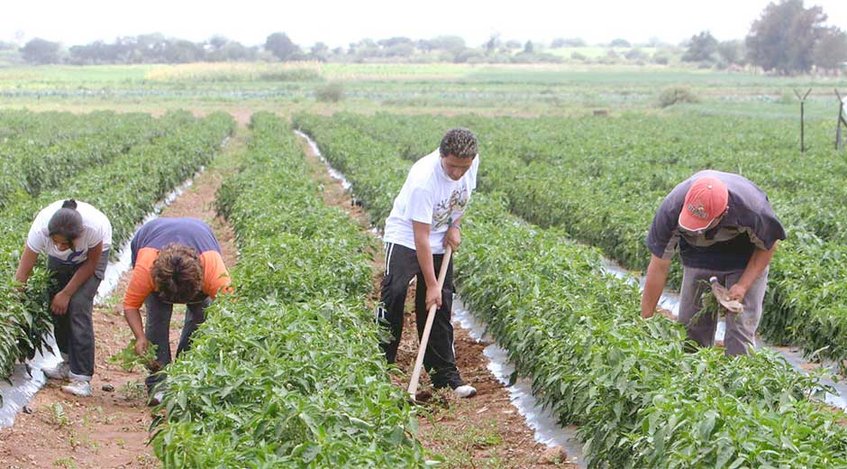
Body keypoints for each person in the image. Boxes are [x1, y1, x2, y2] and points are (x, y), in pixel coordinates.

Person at [377, 128, 480, 398]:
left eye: (463, 167)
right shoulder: (424, 179)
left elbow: (459, 202)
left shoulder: (471, 163)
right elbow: (420, 238)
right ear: (441, 155)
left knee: (439, 304)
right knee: (395, 294)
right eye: (452, 167)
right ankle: (378, 370)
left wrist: (454, 226)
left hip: (439, 237)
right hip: (407, 237)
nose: (458, 173)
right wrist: (431, 284)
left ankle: (445, 377)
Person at [641, 170, 786, 356]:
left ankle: (740, 378)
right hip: (697, 254)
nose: (698, 229)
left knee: (740, 330)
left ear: (724, 213)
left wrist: (742, 285)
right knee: (691, 328)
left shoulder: (752, 209)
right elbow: (659, 266)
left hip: (744, 256)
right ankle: (693, 378)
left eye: (702, 224)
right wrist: (646, 321)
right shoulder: (671, 208)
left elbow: (768, 246)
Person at [122, 217, 231, 405]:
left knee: (201, 317)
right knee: (157, 318)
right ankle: (159, 384)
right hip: (149, 236)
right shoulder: (146, 267)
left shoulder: (212, 269)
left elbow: (232, 308)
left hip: (200, 235)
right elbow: (131, 306)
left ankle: (187, 375)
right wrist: (140, 337)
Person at [15, 199, 112, 397]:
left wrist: (67, 293)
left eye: (64, 243)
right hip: (62, 262)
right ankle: (67, 363)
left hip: (93, 257)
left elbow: (91, 263)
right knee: (56, 304)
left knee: (78, 305)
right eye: (55, 242)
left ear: (78, 236)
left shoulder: (93, 228)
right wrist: (14, 306)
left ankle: (81, 378)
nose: (59, 247)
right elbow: (23, 273)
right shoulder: (40, 230)